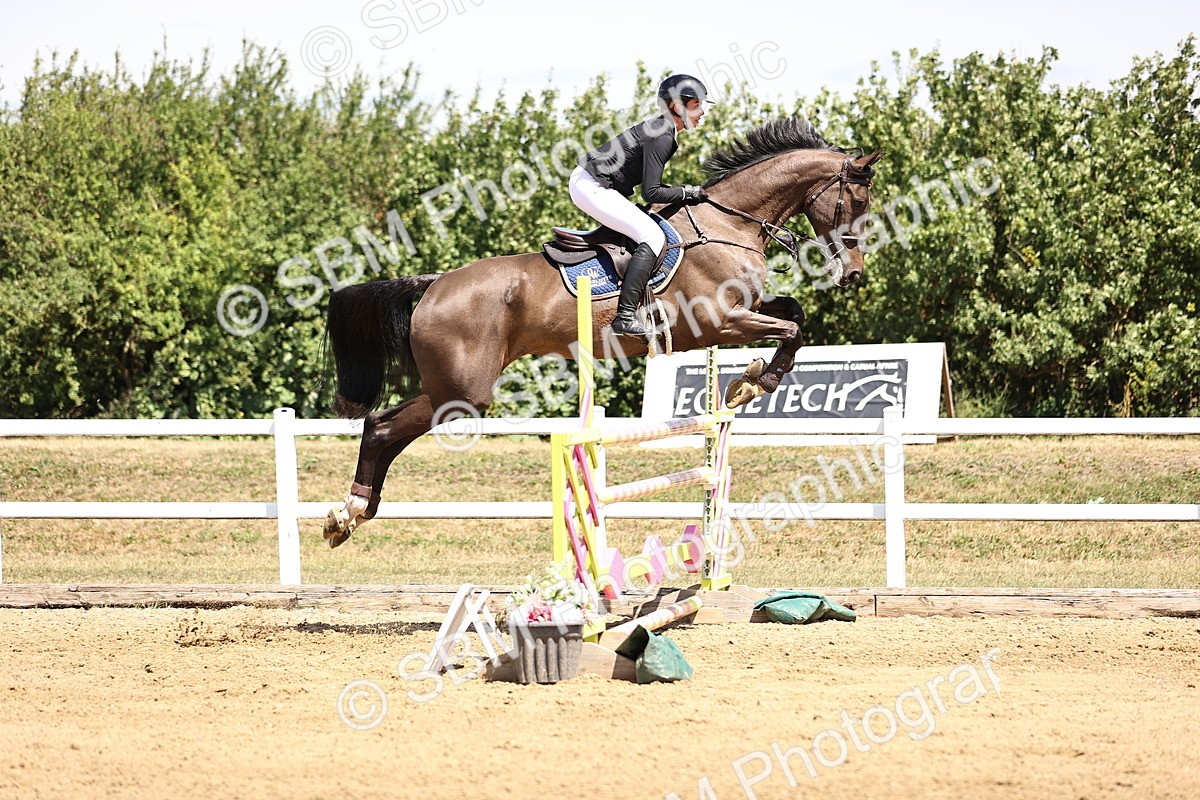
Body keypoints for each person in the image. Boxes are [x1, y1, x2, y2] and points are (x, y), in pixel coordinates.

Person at [569, 74, 713, 339]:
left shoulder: (663, 130)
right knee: (653, 236)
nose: (702, 112)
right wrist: (688, 192)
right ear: (676, 107)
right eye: (696, 105)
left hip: (594, 183)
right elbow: (652, 192)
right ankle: (624, 317)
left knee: (646, 227)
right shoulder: (662, 135)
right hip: (591, 185)